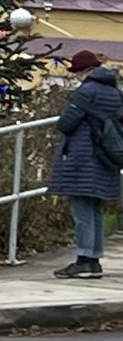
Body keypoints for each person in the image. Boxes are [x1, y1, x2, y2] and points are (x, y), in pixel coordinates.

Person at [49, 48, 120, 279]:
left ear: (83, 71)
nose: (75, 76)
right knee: (96, 210)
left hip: (83, 157)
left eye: (76, 72)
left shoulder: (86, 91)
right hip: (106, 156)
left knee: (82, 211)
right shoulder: (115, 92)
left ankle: (84, 260)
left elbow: (66, 123)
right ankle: (94, 259)